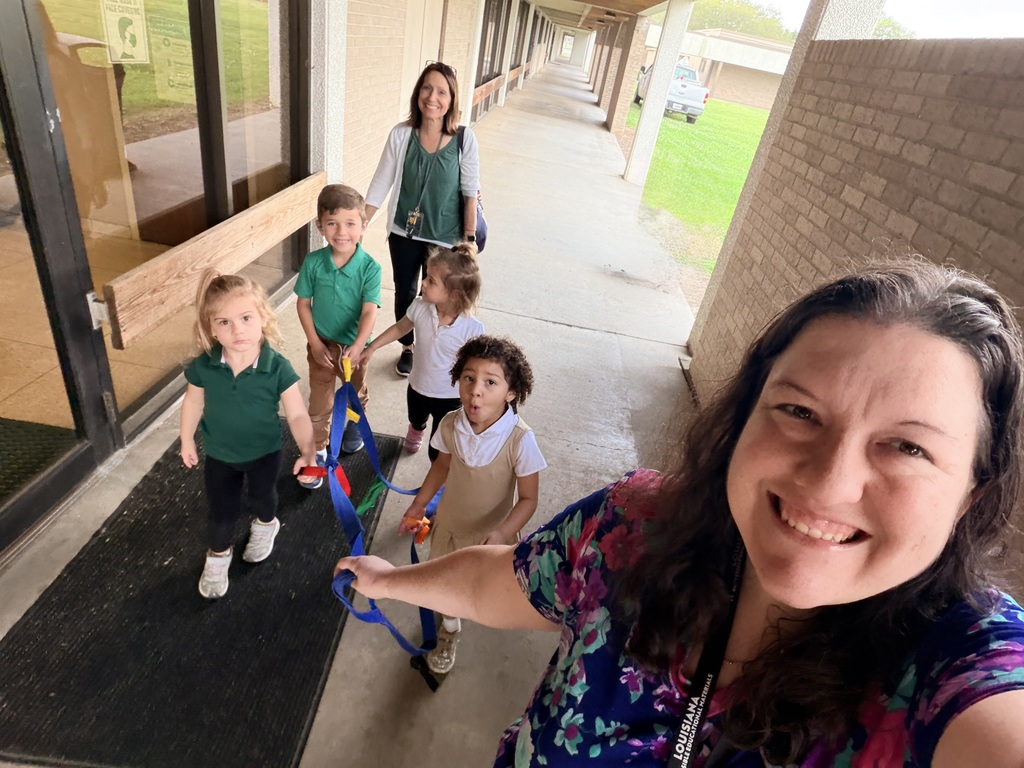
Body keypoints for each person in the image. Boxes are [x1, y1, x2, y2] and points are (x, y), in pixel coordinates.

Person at [336, 262, 1024, 766]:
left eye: (908, 447)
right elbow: (506, 581)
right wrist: (390, 581)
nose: (829, 482)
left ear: (972, 493)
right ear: (744, 417)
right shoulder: (632, 527)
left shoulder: (960, 670)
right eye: (800, 411)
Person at [397, 335, 547, 676]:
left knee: (482, 586)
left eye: (490, 382)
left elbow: (528, 499)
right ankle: (449, 629)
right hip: (450, 526)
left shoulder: (520, 440)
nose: (475, 390)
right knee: (446, 585)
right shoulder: (451, 424)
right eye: (468, 378)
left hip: (490, 537)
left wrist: (503, 533)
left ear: (511, 392)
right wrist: (419, 505)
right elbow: (441, 466)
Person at [181, 270, 316, 599]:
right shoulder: (204, 366)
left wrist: (308, 450)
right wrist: (186, 439)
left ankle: (266, 524)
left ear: (263, 317)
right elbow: (193, 401)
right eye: (224, 322)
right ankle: (218, 555)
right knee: (221, 512)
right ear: (211, 327)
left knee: (262, 498)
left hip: (264, 454)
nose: (237, 330)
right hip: (219, 455)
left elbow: (297, 414)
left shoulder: (278, 367)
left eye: (245, 318)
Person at [364, 61, 481, 378]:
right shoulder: (402, 135)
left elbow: (470, 193)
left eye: (442, 92)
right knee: (405, 292)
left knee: (439, 295)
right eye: (427, 88)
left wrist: (469, 240)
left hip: (445, 236)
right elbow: (381, 182)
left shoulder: (464, 139)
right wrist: (360, 223)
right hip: (404, 230)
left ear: (451, 99)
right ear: (418, 93)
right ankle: (408, 347)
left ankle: (437, 346)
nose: (432, 97)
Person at [360, 240, 484, 459]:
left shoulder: (472, 329)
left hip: (450, 396)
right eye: (426, 277)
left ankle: (436, 469)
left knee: (439, 446)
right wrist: (372, 348)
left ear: (453, 294)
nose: (423, 283)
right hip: (418, 386)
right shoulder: (420, 306)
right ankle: (416, 430)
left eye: (431, 280)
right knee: (416, 418)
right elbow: (401, 328)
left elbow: (478, 368)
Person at [295, 183, 382, 480]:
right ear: (320, 226)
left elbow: (369, 310)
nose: (341, 232)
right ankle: (317, 449)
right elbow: (303, 304)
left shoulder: (370, 268)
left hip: (354, 349)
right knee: (319, 401)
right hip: (321, 345)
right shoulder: (313, 263)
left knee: (354, 393)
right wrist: (315, 343)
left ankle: (356, 424)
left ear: (363, 225)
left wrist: (358, 346)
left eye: (350, 223)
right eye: (332, 223)